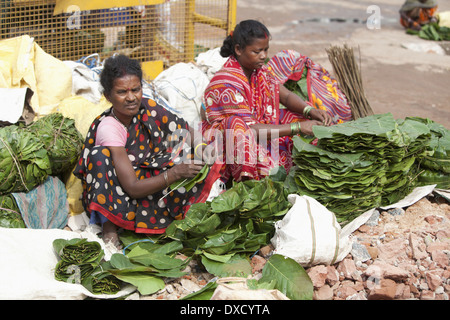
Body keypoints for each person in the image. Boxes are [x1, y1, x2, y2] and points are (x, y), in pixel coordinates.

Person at [74, 54, 220, 247]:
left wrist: (202, 148)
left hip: (150, 178)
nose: (131, 97)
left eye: (136, 89)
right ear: (108, 96)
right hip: (120, 196)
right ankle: (110, 231)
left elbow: (186, 130)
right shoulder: (110, 127)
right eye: (122, 92)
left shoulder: (148, 108)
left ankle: (182, 218)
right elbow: (133, 188)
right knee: (99, 156)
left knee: (199, 153)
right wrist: (175, 173)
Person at [201, 19, 352, 184]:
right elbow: (249, 130)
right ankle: (246, 184)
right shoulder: (226, 83)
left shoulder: (259, 71)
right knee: (237, 126)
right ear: (238, 49)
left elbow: (285, 96)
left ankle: (300, 167)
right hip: (228, 148)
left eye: (266, 50)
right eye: (257, 51)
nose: (264, 56)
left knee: (299, 117)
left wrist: (310, 111)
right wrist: (298, 128)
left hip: (260, 131)